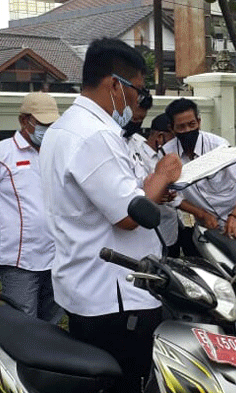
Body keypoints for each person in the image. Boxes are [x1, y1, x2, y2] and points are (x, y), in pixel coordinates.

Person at [40, 38, 182, 392]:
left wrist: (152, 188)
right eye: (140, 92)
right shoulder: (94, 135)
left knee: (99, 381)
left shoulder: (65, 128)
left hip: (88, 285)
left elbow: (119, 197)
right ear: (115, 85)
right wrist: (163, 174)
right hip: (116, 294)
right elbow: (129, 216)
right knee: (125, 381)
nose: (139, 103)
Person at [0, 92, 61, 322]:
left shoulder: (55, 154)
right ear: (24, 121)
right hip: (19, 260)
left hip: (56, 256)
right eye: (43, 123)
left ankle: (48, 359)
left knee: (51, 324)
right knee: (22, 324)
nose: (48, 129)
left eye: (52, 124)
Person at [162, 98, 236, 239]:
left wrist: (235, 216)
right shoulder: (167, 155)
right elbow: (172, 196)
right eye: (181, 127)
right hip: (208, 225)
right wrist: (201, 214)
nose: (187, 130)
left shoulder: (217, 145)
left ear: (199, 122)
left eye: (192, 124)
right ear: (171, 128)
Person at [124, 112, 184, 257]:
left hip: (170, 228)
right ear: (160, 137)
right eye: (172, 140)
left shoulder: (165, 156)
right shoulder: (139, 157)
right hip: (152, 231)